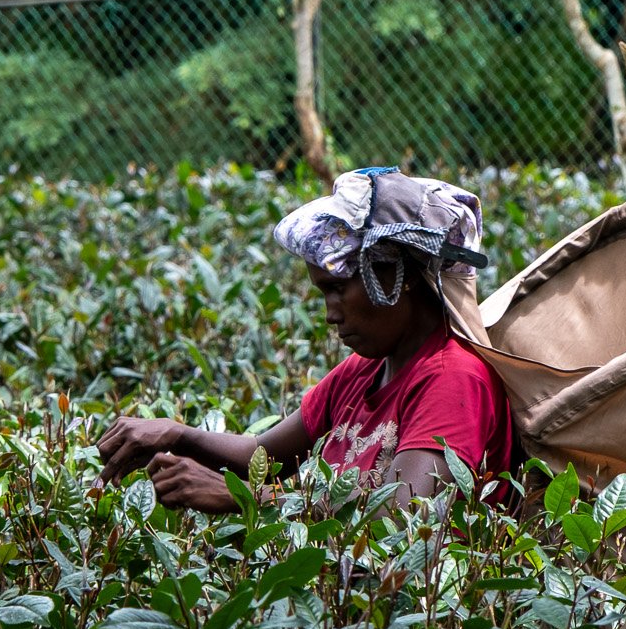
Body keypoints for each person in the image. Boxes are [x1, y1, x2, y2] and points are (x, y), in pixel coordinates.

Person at [97, 168, 516, 511]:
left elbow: (400, 511)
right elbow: (264, 456)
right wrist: (176, 435)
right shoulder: (363, 371)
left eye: (338, 288)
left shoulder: (454, 377)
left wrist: (243, 498)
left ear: (399, 276)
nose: (331, 313)